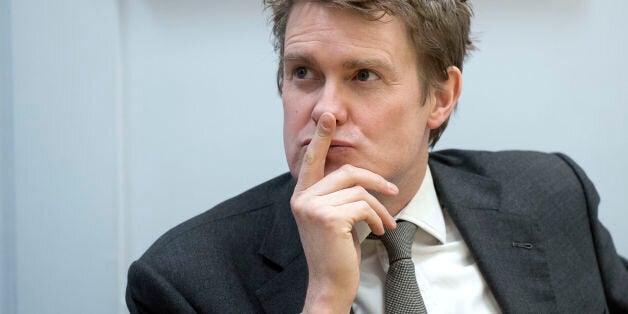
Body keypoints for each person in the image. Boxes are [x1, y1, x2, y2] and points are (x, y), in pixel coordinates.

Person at [126, 0, 628, 313]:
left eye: (363, 75)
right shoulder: (185, 281)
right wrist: (324, 297)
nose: (324, 111)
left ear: (440, 97)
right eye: (303, 73)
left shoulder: (551, 195)